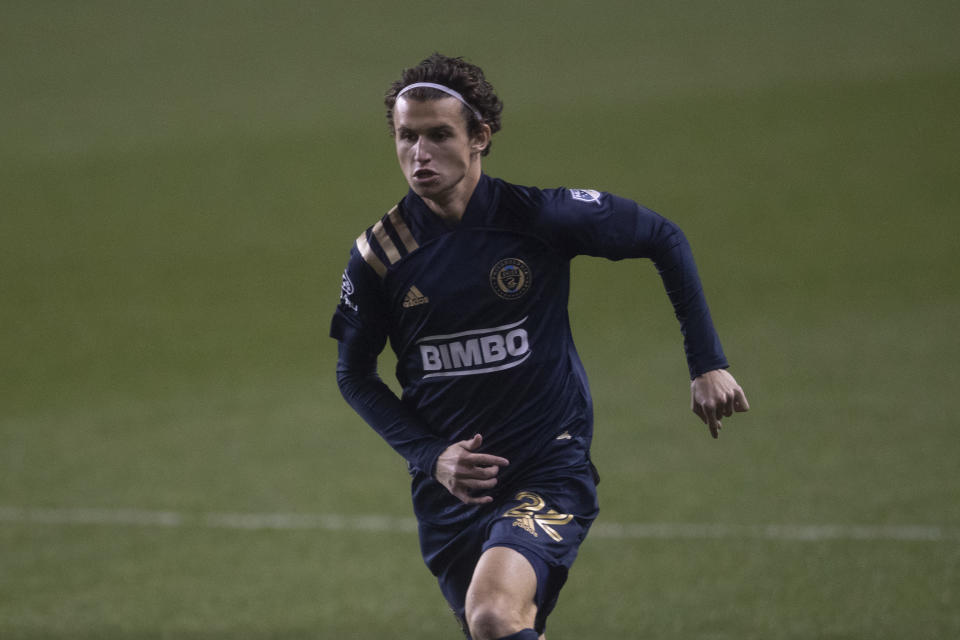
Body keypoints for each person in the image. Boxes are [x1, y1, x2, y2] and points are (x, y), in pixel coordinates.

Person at [330, 53, 749, 640]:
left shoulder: (537, 218)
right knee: (506, 626)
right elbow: (354, 374)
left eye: (439, 135)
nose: (419, 154)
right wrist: (433, 457)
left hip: (548, 467)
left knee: (494, 614)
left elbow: (662, 235)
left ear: (480, 137)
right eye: (406, 136)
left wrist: (707, 363)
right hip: (451, 493)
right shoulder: (380, 255)